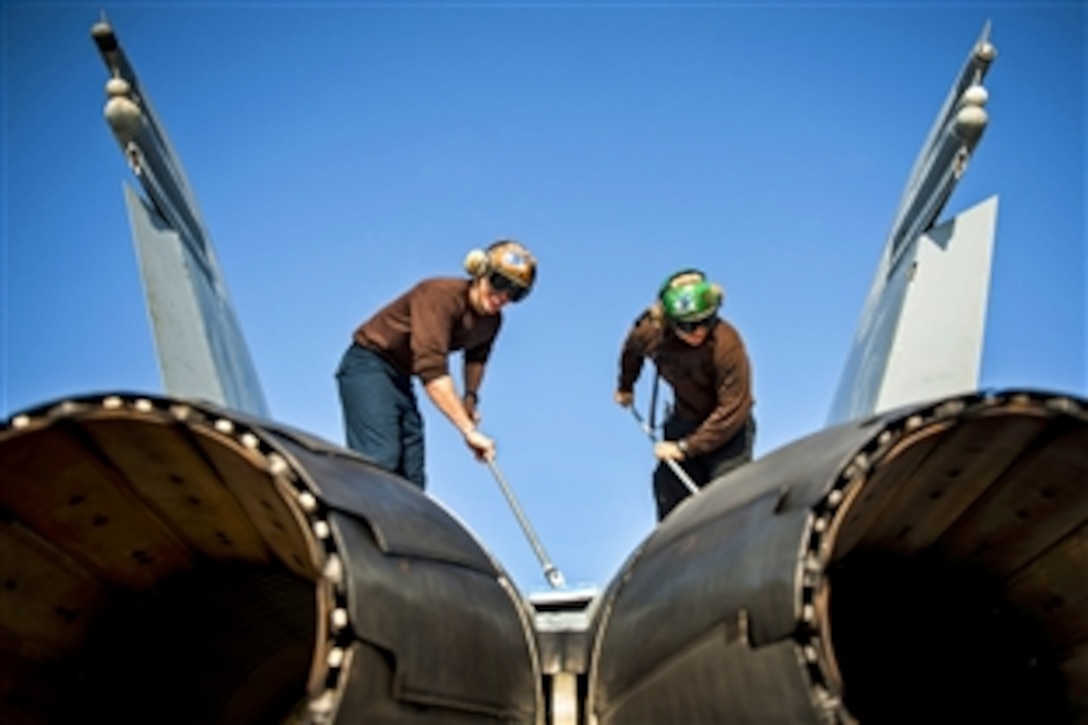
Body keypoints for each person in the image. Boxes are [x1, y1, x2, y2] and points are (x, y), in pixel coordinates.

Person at [336, 239, 537, 490]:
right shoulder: (438, 295)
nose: (502, 297)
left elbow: (476, 358)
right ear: (479, 271)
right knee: (380, 462)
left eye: (515, 293)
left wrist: (470, 400)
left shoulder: (491, 322)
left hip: (400, 377)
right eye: (499, 283)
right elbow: (431, 369)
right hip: (368, 364)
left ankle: (401, 528)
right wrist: (468, 431)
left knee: (412, 479)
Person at [615, 268, 755, 521]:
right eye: (688, 326)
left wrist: (685, 448)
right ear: (667, 321)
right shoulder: (650, 331)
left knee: (728, 498)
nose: (698, 332)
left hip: (728, 431)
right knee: (669, 489)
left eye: (706, 321)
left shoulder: (728, 344)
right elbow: (631, 351)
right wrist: (626, 386)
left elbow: (733, 409)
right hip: (685, 421)